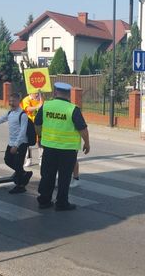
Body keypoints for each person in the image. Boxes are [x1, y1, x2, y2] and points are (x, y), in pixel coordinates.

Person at [35, 82, 90, 211]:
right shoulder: (73, 109)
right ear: (69, 94)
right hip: (68, 150)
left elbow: (37, 124)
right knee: (64, 177)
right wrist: (87, 143)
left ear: (55, 92)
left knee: (48, 175)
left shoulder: (46, 106)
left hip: (49, 147)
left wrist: (41, 136)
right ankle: (61, 203)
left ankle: (44, 201)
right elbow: (83, 129)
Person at [21, 91, 44, 167]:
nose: (37, 94)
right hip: (29, 123)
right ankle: (28, 159)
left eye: (38, 93)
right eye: (35, 93)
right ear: (30, 92)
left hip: (39, 123)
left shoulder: (40, 99)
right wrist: (38, 107)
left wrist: (41, 100)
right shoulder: (26, 99)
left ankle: (41, 159)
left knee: (40, 141)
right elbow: (28, 109)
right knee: (28, 142)